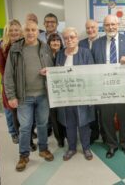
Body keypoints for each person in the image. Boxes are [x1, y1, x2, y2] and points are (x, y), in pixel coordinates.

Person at [4, 21, 55, 172]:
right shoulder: (15, 49)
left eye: (34, 30)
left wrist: (49, 71)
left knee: (42, 124)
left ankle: (43, 149)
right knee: (25, 127)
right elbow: (8, 76)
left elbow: (53, 67)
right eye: (28, 30)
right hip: (23, 97)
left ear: (38, 31)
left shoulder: (44, 47)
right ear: (23, 31)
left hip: (43, 95)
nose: (31, 32)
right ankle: (24, 155)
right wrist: (11, 96)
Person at [91, 15, 125, 159]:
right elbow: (93, 65)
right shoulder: (97, 43)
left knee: (124, 118)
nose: (110, 27)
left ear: (119, 25)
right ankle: (111, 145)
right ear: (103, 26)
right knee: (106, 118)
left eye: (113, 24)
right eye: (107, 25)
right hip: (104, 87)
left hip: (123, 86)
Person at [55, 27, 95, 161]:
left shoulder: (85, 53)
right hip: (66, 97)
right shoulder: (60, 54)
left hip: (82, 96)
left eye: (72, 37)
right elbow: (56, 74)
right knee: (68, 123)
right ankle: (71, 148)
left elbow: (91, 74)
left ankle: (86, 148)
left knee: (83, 123)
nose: (69, 40)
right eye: (66, 38)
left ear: (77, 38)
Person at [78, 19, 104, 144]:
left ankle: (105, 133)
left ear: (97, 28)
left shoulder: (104, 42)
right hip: (86, 83)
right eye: (88, 28)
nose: (90, 30)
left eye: (93, 27)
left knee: (103, 110)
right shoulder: (80, 43)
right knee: (91, 109)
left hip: (101, 81)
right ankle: (94, 133)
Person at [0, 19, 22, 144]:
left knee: (21, 108)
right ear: (7, 32)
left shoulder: (24, 44)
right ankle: (13, 132)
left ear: (20, 31)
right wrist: (9, 82)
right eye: (11, 30)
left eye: (16, 30)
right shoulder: (3, 46)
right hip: (8, 83)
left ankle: (23, 131)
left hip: (22, 83)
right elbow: (1, 67)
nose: (14, 32)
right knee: (9, 109)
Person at [46, 33, 66, 147]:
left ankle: (68, 135)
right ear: (49, 43)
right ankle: (60, 138)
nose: (55, 43)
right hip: (50, 91)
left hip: (64, 89)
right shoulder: (45, 55)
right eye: (53, 41)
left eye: (58, 40)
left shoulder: (64, 54)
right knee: (53, 116)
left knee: (64, 114)